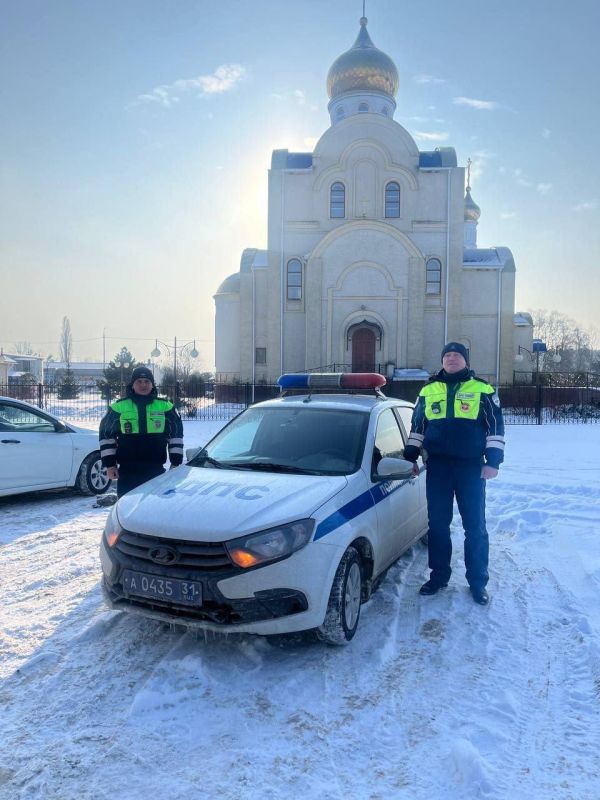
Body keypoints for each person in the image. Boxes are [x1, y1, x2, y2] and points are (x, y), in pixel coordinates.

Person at [404, 342, 505, 605]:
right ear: (442, 361)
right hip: (438, 468)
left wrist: (493, 462)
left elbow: (495, 428)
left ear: (466, 361)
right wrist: (410, 457)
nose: (451, 358)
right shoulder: (428, 390)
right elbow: (418, 427)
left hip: (471, 468)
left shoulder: (483, 389)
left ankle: (478, 582)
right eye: (447, 355)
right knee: (437, 525)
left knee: (475, 527)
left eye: (456, 355)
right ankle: (438, 577)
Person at [99, 366, 184, 498]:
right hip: (127, 474)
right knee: (126, 508)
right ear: (132, 385)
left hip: (156, 472)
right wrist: (110, 465)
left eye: (147, 381)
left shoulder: (165, 407)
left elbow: (175, 436)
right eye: (139, 381)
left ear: (152, 384)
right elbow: (106, 436)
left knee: (154, 508)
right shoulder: (118, 407)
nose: (143, 385)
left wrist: (175, 463)